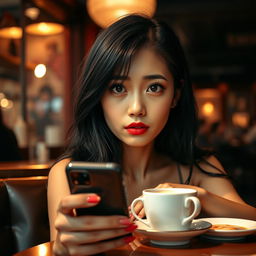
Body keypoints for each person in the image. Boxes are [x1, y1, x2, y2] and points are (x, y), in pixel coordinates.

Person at [47, 14, 256, 256]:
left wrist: (199, 196)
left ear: (175, 95)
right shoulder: (69, 173)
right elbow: (64, 243)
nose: (136, 108)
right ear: (99, 96)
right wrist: (60, 250)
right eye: (117, 88)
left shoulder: (197, 168)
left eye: (154, 88)